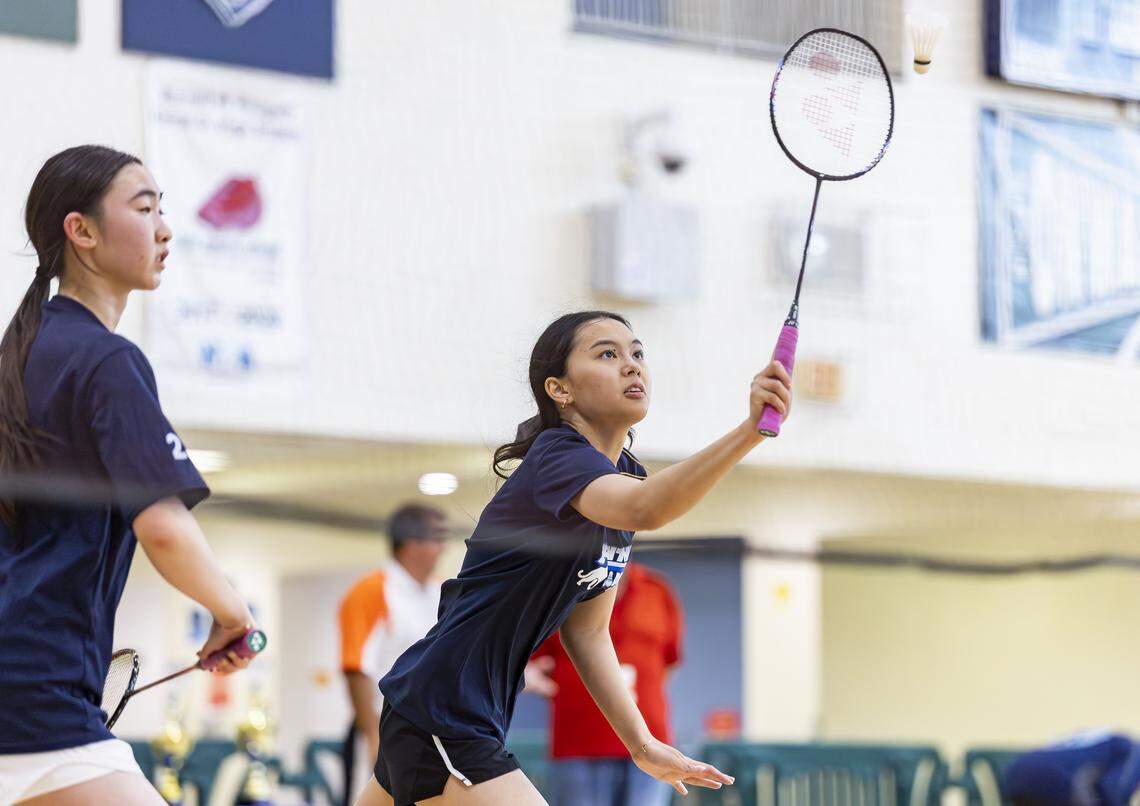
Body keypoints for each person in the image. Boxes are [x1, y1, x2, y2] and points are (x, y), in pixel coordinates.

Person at [355, 310, 793, 805]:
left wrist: (642, 744)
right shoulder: (556, 458)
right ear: (559, 390)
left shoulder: (622, 476)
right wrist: (749, 432)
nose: (632, 366)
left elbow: (586, 630)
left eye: (637, 353)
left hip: (457, 712)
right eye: (607, 353)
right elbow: (647, 508)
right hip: (445, 709)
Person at [0, 146, 258, 805]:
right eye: (144, 208)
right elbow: (163, 527)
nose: (165, 229)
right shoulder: (106, 361)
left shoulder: (17, 359)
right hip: (38, 693)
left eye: (164, 210)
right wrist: (231, 612)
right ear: (80, 230)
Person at [528, 561, 683, 806]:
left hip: (650, 738)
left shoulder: (657, 589)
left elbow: (670, 661)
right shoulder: (560, 589)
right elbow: (533, 659)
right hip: (578, 742)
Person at [339, 503, 449, 802]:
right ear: (411, 545)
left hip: (430, 728)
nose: (444, 547)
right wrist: (372, 733)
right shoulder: (372, 590)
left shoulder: (439, 592)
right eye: (437, 539)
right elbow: (356, 667)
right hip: (382, 724)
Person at [1004, 730, 1140, 806]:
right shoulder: (1133, 750)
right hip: (1057, 778)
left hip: (1016, 773)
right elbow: (1113, 790)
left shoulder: (1111, 738)